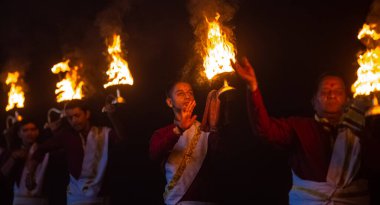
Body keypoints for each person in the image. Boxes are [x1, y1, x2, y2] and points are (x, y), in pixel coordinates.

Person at [232, 57, 380, 205]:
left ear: (348, 101)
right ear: (314, 101)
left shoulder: (361, 130)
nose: (331, 95)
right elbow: (264, 129)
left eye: (338, 91)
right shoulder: (299, 127)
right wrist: (253, 87)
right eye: (325, 91)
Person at [27, 99, 124, 205]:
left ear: (87, 114)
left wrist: (113, 117)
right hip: (76, 198)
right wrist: (31, 174)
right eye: (69, 118)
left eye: (77, 116)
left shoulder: (103, 133)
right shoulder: (66, 136)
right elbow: (40, 150)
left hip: (100, 196)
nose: (73, 121)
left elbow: (121, 139)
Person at [149, 81, 222, 205]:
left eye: (190, 93)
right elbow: (154, 154)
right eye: (180, 93)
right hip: (178, 201)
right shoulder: (161, 133)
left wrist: (215, 128)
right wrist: (179, 130)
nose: (187, 96)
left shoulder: (205, 129)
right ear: (169, 102)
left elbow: (220, 158)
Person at [0, 120, 50, 205]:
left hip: (41, 199)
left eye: (33, 129)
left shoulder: (45, 151)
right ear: (19, 134)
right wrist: (13, 158)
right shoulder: (12, 153)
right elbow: (3, 175)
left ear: (37, 132)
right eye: (25, 130)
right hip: (19, 199)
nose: (29, 133)